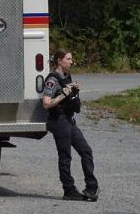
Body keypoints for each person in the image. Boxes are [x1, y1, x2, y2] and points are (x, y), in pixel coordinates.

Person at [42, 48, 99, 201]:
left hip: (69, 120)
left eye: (71, 59)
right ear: (60, 61)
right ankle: (69, 190)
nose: (71, 62)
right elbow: (46, 104)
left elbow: (70, 98)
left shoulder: (67, 76)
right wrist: (63, 94)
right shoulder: (52, 79)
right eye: (68, 59)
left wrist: (74, 91)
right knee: (65, 156)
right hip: (58, 121)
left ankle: (91, 187)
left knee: (86, 151)